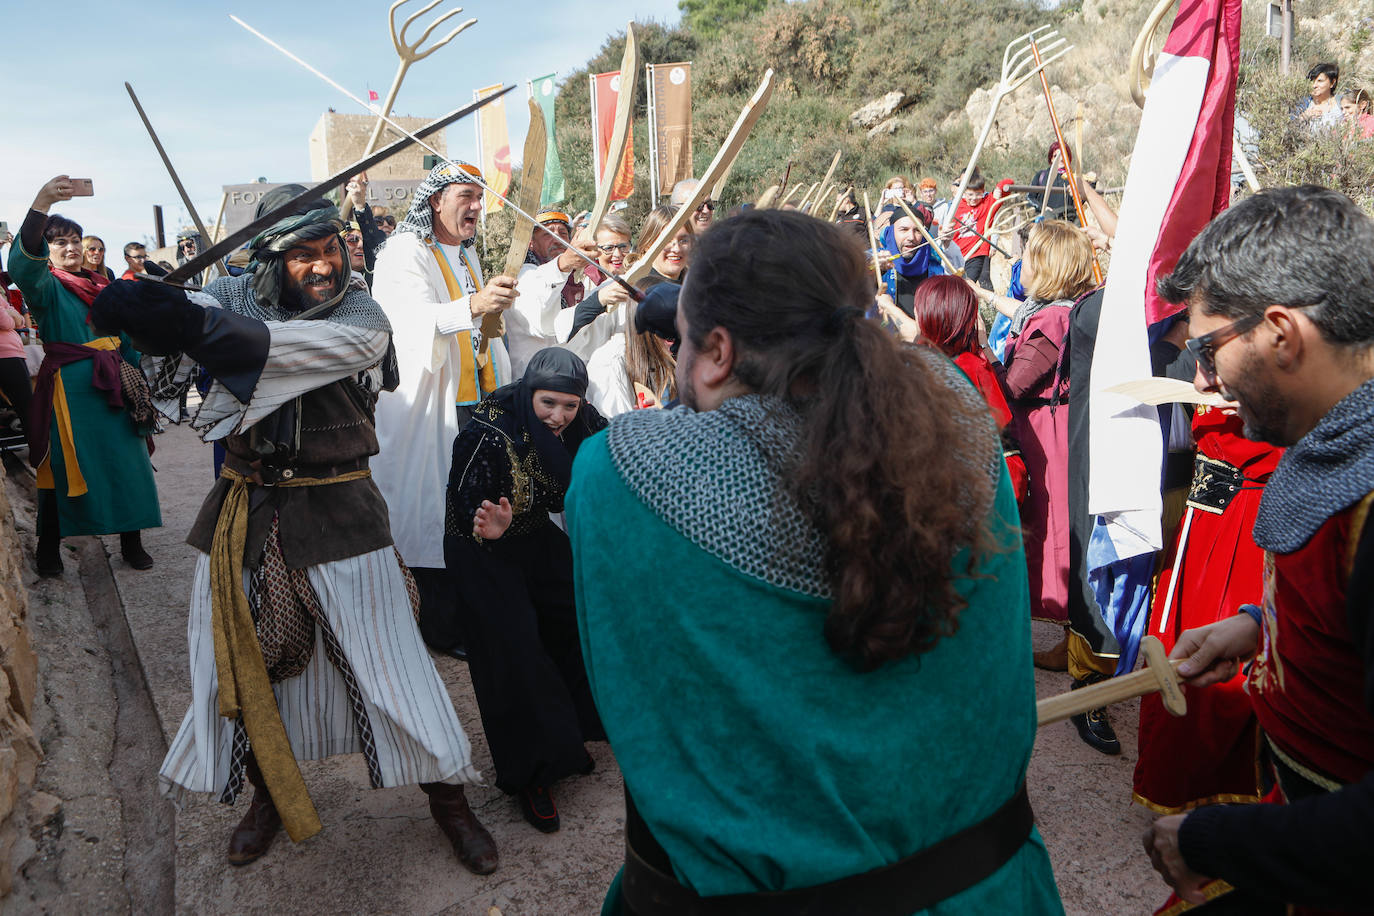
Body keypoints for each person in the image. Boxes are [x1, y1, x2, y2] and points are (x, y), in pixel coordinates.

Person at [568, 208, 1061, 914]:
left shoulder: (620, 478)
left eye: (683, 345)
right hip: (986, 894)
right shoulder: (959, 419)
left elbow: (666, 441)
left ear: (715, 351)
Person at [87, 194, 499, 876]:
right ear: (271, 261)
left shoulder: (362, 317)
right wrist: (148, 313)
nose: (322, 265)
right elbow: (175, 368)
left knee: (393, 665)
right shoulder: (233, 299)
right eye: (303, 253)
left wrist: (191, 320)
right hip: (247, 511)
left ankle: (449, 800)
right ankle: (270, 795)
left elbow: (279, 350)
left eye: (330, 248)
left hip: (343, 509)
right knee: (244, 669)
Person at [1141, 185, 1374, 912]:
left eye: (1208, 348)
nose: (1203, 379)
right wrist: (1258, 623)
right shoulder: (1335, 436)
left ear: (1281, 332)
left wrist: (1217, 841)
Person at [444, 346, 607, 832]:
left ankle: (578, 726)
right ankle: (533, 773)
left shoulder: (583, 420)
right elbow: (464, 506)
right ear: (529, 394)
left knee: (579, 614)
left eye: (569, 406)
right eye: (548, 404)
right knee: (514, 653)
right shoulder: (487, 433)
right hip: (482, 548)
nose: (559, 417)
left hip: (532, 531)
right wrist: (488, 526)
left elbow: (610, 451)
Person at [370, 160, 516, 659]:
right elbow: (404, 319)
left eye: (480, 197)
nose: (476, 206)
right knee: (434, 513)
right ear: (435, 200)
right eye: (465, 196)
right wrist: (474, 306)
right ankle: (440, 626)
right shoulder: (403, 251)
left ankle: (475, 616)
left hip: (479, 400)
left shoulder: (467, 255)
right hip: (432, 408)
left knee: (476, 507)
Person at [9, 176, 161, 577]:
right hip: (72, 390)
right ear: (49, 251)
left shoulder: (104, 287)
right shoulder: (46, 287)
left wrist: (136, 378)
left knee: (128, 462)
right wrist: (41, 203)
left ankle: (131, 541)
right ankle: (49, 548)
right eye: (60, 242)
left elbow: (125, 337)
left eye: (75, 240)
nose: (72, 247)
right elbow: (22, 264)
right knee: (63, 465)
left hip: (118, 382)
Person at [878, 275, 1028, 503]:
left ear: (933, 316)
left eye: (919, 309)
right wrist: (889, 306)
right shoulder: (971, 360)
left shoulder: (957, 370)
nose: (916, 315)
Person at [567, 204, 692, 344]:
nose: (676, 249)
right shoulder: (623, 288)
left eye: (683, 240)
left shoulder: (700, 288)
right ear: (648, 244)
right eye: (667, 240)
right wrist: (599, 300)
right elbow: (566, 329)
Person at [507, 207, 601, 376]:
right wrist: (563, 264)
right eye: (547, 233)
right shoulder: (524, 275)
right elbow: (544, 323)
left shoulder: (574, 278)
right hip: (532, 382)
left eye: (563, 233)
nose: (557, 238)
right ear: (531, 243)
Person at [951, 171, 1004, 290]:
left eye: (978, 194)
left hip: (977, 253)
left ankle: (988, 306)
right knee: (955, 286)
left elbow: (1006, 185)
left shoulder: (986, 203)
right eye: (970, 194)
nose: (974, 198)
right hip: (958, 253)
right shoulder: (956, 205)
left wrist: (1000, 189)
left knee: (969, 284)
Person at [1298, 61, 1342, 130]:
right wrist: (1303, 117)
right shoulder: (1302, 104)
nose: (1314, 85)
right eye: (1312, 81)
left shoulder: (1342, 103)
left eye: (1320, 81)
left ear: (1332, 83)